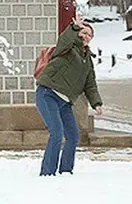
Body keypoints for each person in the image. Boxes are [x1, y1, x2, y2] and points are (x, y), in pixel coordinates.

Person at [35, 13, 103, 176]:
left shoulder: (87, 60)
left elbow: (90, 84)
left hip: (65, 102)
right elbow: (65, 39)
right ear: (78, 33)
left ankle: (65, 171)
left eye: (90, 35)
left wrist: (97, 103)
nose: (86, 36)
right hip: (48, 94)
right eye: (84, 32)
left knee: (73, 136)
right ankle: (47, 173)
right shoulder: (67, 48)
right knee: (57, 133)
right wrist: (73, 28)